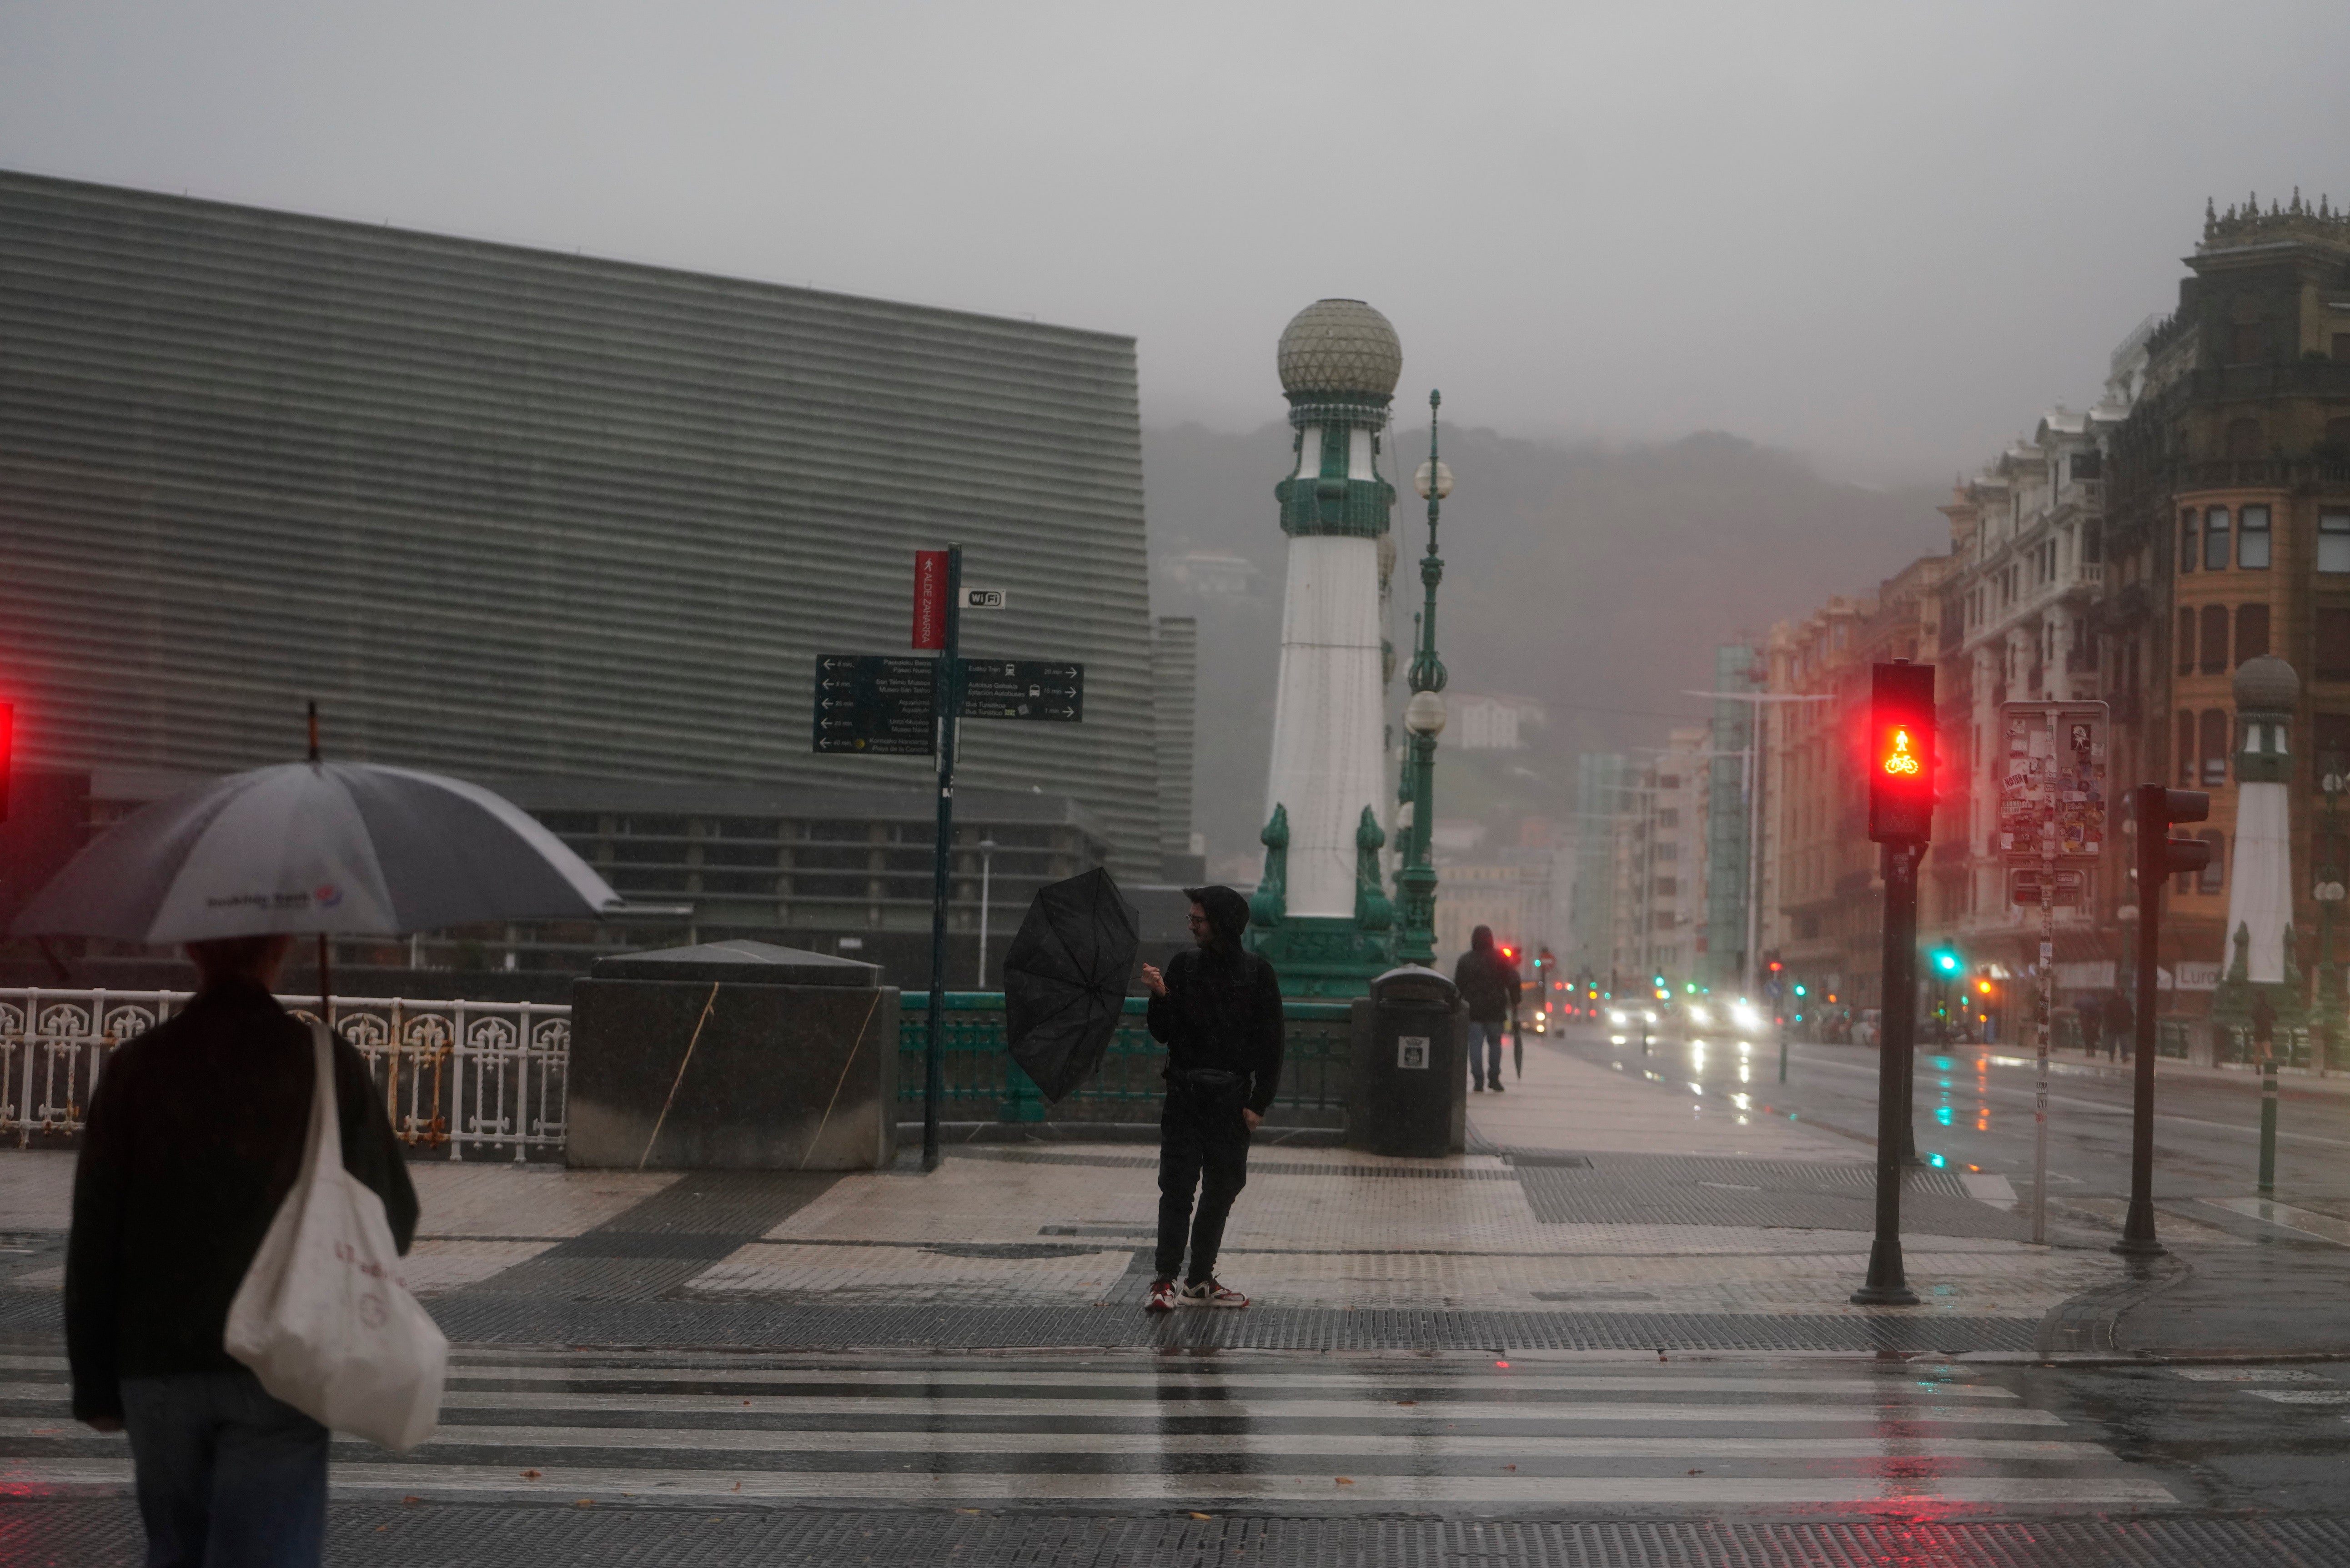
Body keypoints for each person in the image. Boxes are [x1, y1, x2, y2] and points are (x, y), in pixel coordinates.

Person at [68, 933, 419, 1567]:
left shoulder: (138, 1065)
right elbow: (393, 1214)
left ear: (192, 950)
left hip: (158, 1363)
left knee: (175, 1549)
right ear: (280, 948)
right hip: (282, 1358)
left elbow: (96, 1231)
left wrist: (96, 1385)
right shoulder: (322, 1061)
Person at [1139, 885, 1282, 1313]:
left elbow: (1272, 1044)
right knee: (1177, 1187)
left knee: (1222, 1188)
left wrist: (1259, 1102)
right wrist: (1160, 996)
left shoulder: (1258, 974)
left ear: (1221, 924)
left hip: (1231, 1099)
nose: (1192, 926)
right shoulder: (1183, 967)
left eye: (1198, 920)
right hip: (1186, 1093)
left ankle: (1199, 1278)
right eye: (1191, 920)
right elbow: (1166, 1032)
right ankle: (1165, 1280)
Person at [1453, 926, 1521, 1093]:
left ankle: (1478, 1079)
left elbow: (1457, 987)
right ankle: (1494, 1078)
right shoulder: (1501, 959)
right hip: (1495, 1010)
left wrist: (1456, 1006)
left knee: (1475, 1044)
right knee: (1495, 1044)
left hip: (1473, 1010)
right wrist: (1515, 1001)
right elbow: (1513, 980)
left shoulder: (1465, 960)